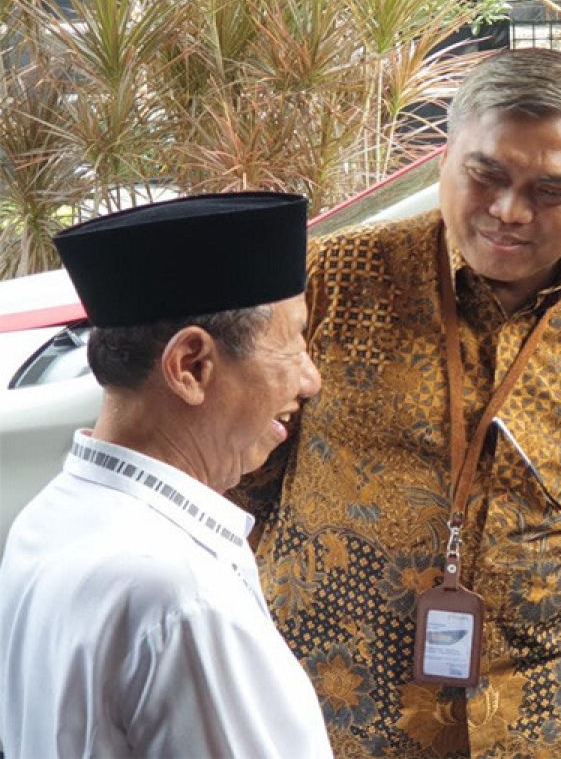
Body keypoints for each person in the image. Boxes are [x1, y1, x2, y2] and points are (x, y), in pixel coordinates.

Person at [234, 49, 561, 757]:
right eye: (488, 175)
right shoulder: (331, 278)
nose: (510, 212)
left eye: (553, 190)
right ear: (446, 156)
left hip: (543, 713)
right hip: (334, 706)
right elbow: (244, 474)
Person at [0, 194, 332, 757]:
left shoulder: (46, 519)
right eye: (293, 343)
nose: (310, 380)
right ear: (191, 367)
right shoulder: (181, 598)